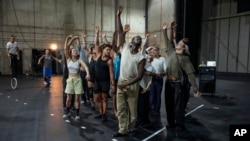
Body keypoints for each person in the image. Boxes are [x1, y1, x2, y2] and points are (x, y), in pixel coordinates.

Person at [113, 6, 146, 137]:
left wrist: (125, 84)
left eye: (137, 41)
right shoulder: (125, 47)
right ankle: (122, 130)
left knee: (132, 111)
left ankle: (131, 127)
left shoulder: (141, 57)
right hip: (122, 81)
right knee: (121, 109)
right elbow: (120, 33)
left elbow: (139, 76)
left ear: (139, 45)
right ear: (131, 42)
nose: (134, 43)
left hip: (132, 84)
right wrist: (118, 16)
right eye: (134, 40)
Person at [162, 21, 200, 131]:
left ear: (184, 49)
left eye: (181, 45)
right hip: (168, 83)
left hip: (177, 84)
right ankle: (171, 123)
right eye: (178, 44)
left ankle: (179, 124)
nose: (178, 45)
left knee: (178, 106)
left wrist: (195, 88)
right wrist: (165, 30)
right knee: (168, 105)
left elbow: (190, 73)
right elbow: (167, 41)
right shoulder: (171, 52)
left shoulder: (185, 59)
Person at [63, 35, 90, 121]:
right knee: (68, 99)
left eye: (76, 51)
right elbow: (66, 48)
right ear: (71, 53)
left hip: (78, 80)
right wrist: (72, 39)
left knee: (77, 99)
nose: (75, 51)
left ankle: (77, 114)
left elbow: (85, 67)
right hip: (70, 80)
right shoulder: (68, 59)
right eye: (73, 51)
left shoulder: (79, 60)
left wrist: (88, 73)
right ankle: (67, 112)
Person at [93, 26, 115, 122]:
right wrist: (97, 33)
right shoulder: (98, 55)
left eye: (109, 50)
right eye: (107, 50)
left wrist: (112, 84)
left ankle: (104, 114)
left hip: (105, 82)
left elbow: (111, 73)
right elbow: (96, 43)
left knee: (104, 98)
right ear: (103, 50)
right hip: (97, 81)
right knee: (98, 98)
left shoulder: (109, 61)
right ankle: (101, 112)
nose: (108, 51)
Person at [149, 45, 167, 115]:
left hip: (159, 79)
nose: (152, 52)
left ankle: (156, 110)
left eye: (154, 50)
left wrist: (162, 74)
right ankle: (150, 108)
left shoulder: (162, 59)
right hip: (152, 79)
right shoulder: (150, 59)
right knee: (151, 95)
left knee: (158, 95)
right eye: (152, 50)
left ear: (157, 51)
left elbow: (166, 70)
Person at [77, 32, 90, 105]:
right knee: (82, 86)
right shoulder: (80, 50)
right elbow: (79, 45)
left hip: (88, 71)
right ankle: (83, 99)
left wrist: (84, 38)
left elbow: (85, 45)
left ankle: (88, 98)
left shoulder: (89, 52)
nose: (84, 45)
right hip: (82, 71)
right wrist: (80, 38)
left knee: (87, 86)